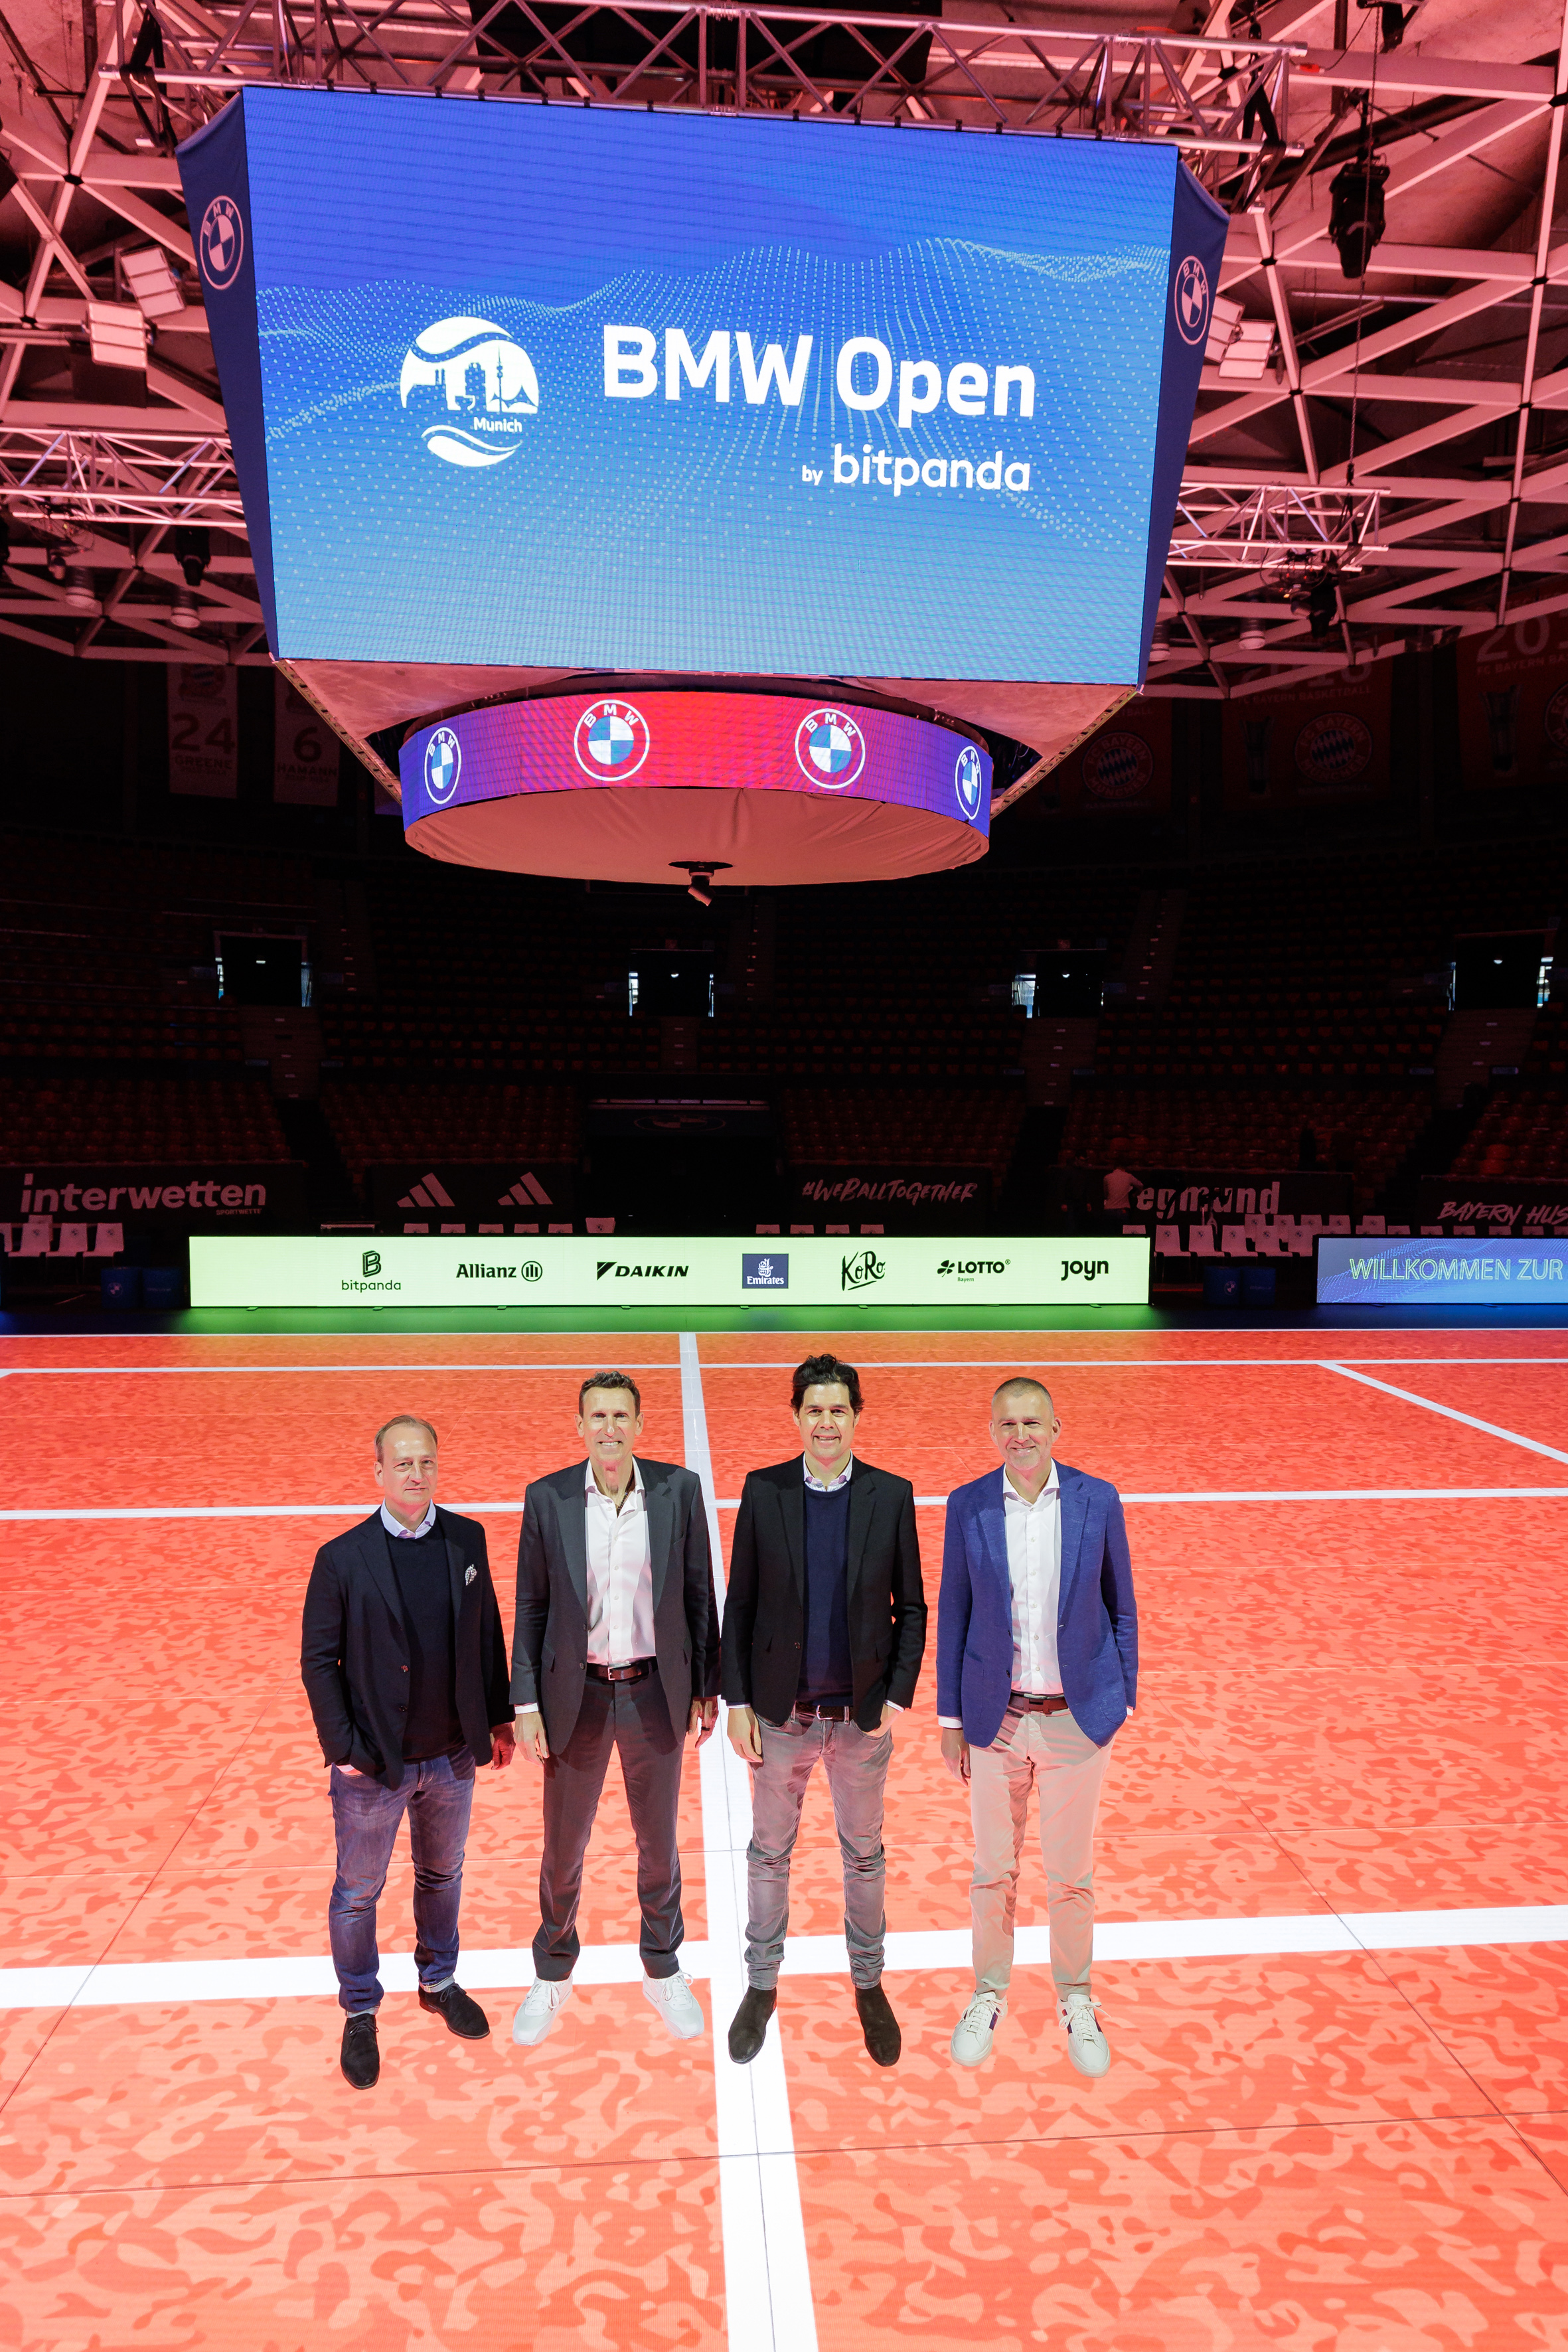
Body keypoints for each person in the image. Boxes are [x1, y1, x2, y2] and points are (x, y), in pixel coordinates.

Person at [721, 1352, 926, 2069]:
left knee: (864, 1855)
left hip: (860, 1720)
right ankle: (760, 1984)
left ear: (856, 1416)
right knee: (768, 1854)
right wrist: (738, 1701)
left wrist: (894, 1696)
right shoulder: (765, 1490)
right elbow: (740, 1603)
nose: (827, 1422)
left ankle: (868, 1983)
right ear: (797, 1417)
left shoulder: (890, 1494)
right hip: (781, 1717)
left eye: (839, 1409)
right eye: (815, 1410)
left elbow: (912, 1607)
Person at [301, 1414, 515, 2091]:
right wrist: (343, 1748)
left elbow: (487, 1634)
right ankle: (360, 2008)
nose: (416, 1474)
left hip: (452, 1756)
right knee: (357, 1892)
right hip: (374, 1764)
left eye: (426, 1462)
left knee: (442, 1874)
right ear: (379, 1473)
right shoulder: (342, 1557)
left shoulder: (466, 1538)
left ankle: (438, 1980)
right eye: (402, 1464)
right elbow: (318, 1661)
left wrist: (499, 1718)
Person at [510, 1372, 720, 2047]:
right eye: (597, 1417)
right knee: (563, 1846)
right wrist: (525, 1701)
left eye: (621, 1416)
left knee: (658, 1845)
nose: (609, 1428)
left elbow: (699, 1594)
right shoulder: (547, 1498)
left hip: (654, 1693)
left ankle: (662, 1966)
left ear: (639, 1424)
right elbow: (532, 1605)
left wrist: (706, 1686)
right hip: (575, 1698)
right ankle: (553, 1968)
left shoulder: (677, 1491)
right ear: (579, 1427)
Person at [937, 1377, 1136, 2078]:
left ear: (1056, 1428)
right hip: (995, 1720)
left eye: (1031, 1422)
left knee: (1070, 1875)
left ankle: (1076, 1997)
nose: (1019, 1435)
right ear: (992, 1431)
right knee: (992, 1870)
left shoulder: (1097, 1499)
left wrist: (1120, 1700)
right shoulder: (966, 1505)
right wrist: (951, 1718)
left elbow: (1121, 1604)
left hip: (1075, 1721)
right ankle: (987, 1993)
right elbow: (954, 1613)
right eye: (1007, 1424)